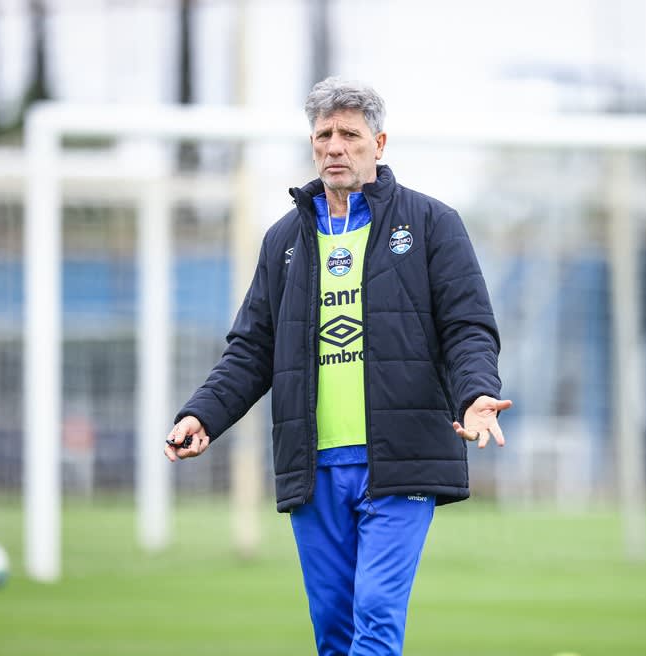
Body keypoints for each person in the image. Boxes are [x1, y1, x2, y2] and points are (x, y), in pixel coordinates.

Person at [164, 77, 511, 656]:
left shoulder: (431, 224)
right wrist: (203, 414)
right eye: (323, 134)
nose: (334, 146)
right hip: (314, 465)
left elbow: (467, 327)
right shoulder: (283, 241)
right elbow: (251, 348)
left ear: (379, 142)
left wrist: (476, 394)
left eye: (349, 134)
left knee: (375, 614)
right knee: (333, 631)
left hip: (401, 460)